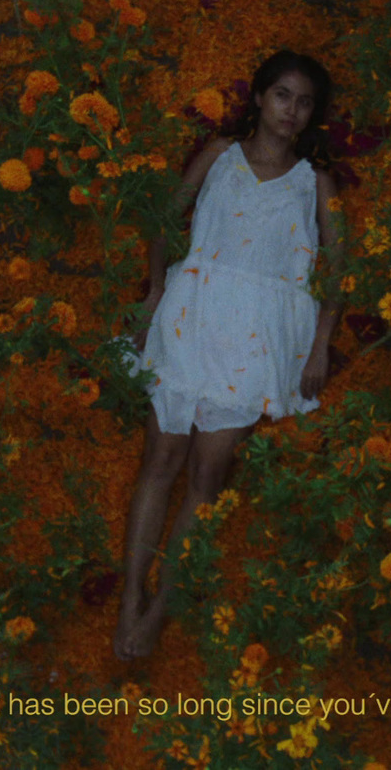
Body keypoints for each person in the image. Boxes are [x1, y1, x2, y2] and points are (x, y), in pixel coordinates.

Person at [113, 51, 344, 661]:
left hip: (259, 337)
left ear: (312, 114)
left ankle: (161, 610)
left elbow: (340, 270)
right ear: (260, 98)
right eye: (282, 96)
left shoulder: (314, 182)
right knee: (159, 461)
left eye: (304, 102)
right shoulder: (219, 155)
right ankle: (130, 599)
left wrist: (319, 345)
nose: (292, 111)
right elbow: (164, 214)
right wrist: (157, 289)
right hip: (194, 314)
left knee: (207, 478)